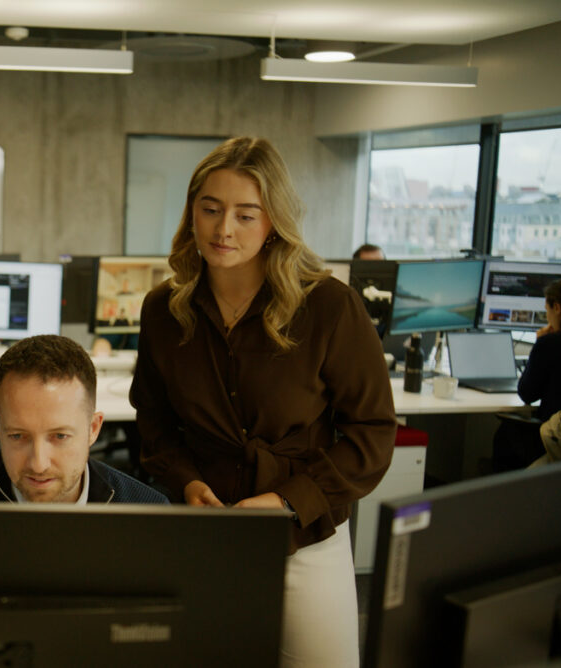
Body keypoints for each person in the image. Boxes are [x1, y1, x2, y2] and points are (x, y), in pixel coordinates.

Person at [130, 136, 396, 666]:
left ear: (273, 221)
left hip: (304, 541)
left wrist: (287, 501)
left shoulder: (329, 307)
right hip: (205, 535)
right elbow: (154, 425)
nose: (223, 229)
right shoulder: (163, 309)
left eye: (245, 215)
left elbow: (372, 435)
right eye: (210, 209)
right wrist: (187, 481)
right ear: (192, 213)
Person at [0, 335, 168, 504]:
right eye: (17, 436)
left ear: (93, 429)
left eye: (59, 436)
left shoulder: (148, 512)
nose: (38, 464)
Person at [492, 279, 561, 471]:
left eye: (546, 310)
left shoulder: (550, 344)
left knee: (504, 434)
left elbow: (527, 394)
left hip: (553, 439)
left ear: (556, 308)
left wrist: (540, 343)